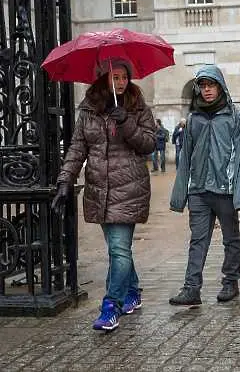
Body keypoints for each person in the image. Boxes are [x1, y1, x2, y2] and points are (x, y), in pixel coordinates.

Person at [51, 58, 156, 331]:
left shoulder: (136, 106)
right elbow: (77, 149)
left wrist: (128, 125)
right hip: (99, 191)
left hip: (129, 189)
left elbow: (149, 145)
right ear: (103, 80)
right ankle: (132, 292)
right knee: (117, 249)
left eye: (124, 78)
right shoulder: (88, 111)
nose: (121, 83)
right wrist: (65, 180)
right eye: (116, 77)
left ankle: (111, 306)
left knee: (119, 250)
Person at [169, 64, 240, 306]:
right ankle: (192, 288)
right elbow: (185, 157)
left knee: (231, 238)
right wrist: (179, 194)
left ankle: (230, 282)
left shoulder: (236, 117)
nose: (207, 90)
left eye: (211, 85)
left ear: (220, 86)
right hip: (199, 191)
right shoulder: (194, 118)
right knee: (197, 239)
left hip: (225, 190)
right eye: (203, 86)